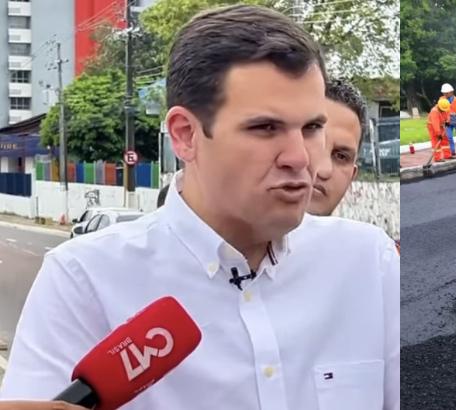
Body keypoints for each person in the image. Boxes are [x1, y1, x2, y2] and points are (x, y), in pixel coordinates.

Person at [0, 6, 399, 410]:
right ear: (185, 135)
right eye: (265, 128)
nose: (301, 158)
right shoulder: (83, 281)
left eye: (312, 128)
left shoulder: (368, 261)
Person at [309, 79, 366, 216]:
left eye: (341, 156)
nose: (324, 170)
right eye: (313, 144)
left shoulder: (373, 237)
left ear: (352, 176)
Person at [427, 98, 452, 162]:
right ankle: (437, 158)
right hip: (432, 127)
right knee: (436, 142)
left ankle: (447, 155)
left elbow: (447, 114)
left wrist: (447, 121)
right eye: (443, 110)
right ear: (439, 106)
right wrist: (438, 134)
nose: (444, 111)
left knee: (445, 140)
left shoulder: (445, 108)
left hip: (441, 125)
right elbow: (435, 124)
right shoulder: (434, 111)